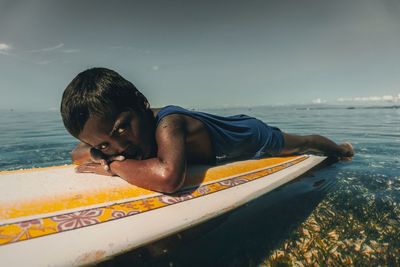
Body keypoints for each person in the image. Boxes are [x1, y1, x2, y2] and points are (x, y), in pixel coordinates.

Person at [60, 68, 354, 193]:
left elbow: (169, 178)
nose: (120, 145)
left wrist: (112, 165)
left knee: (303, 143)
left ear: (140, 104)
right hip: (223, 133)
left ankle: (342, 150)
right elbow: (78, 153)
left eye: (122, 128)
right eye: (106, 144)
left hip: (250, 137)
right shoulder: (120, 141)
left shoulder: (168, 124)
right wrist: (98, 151)